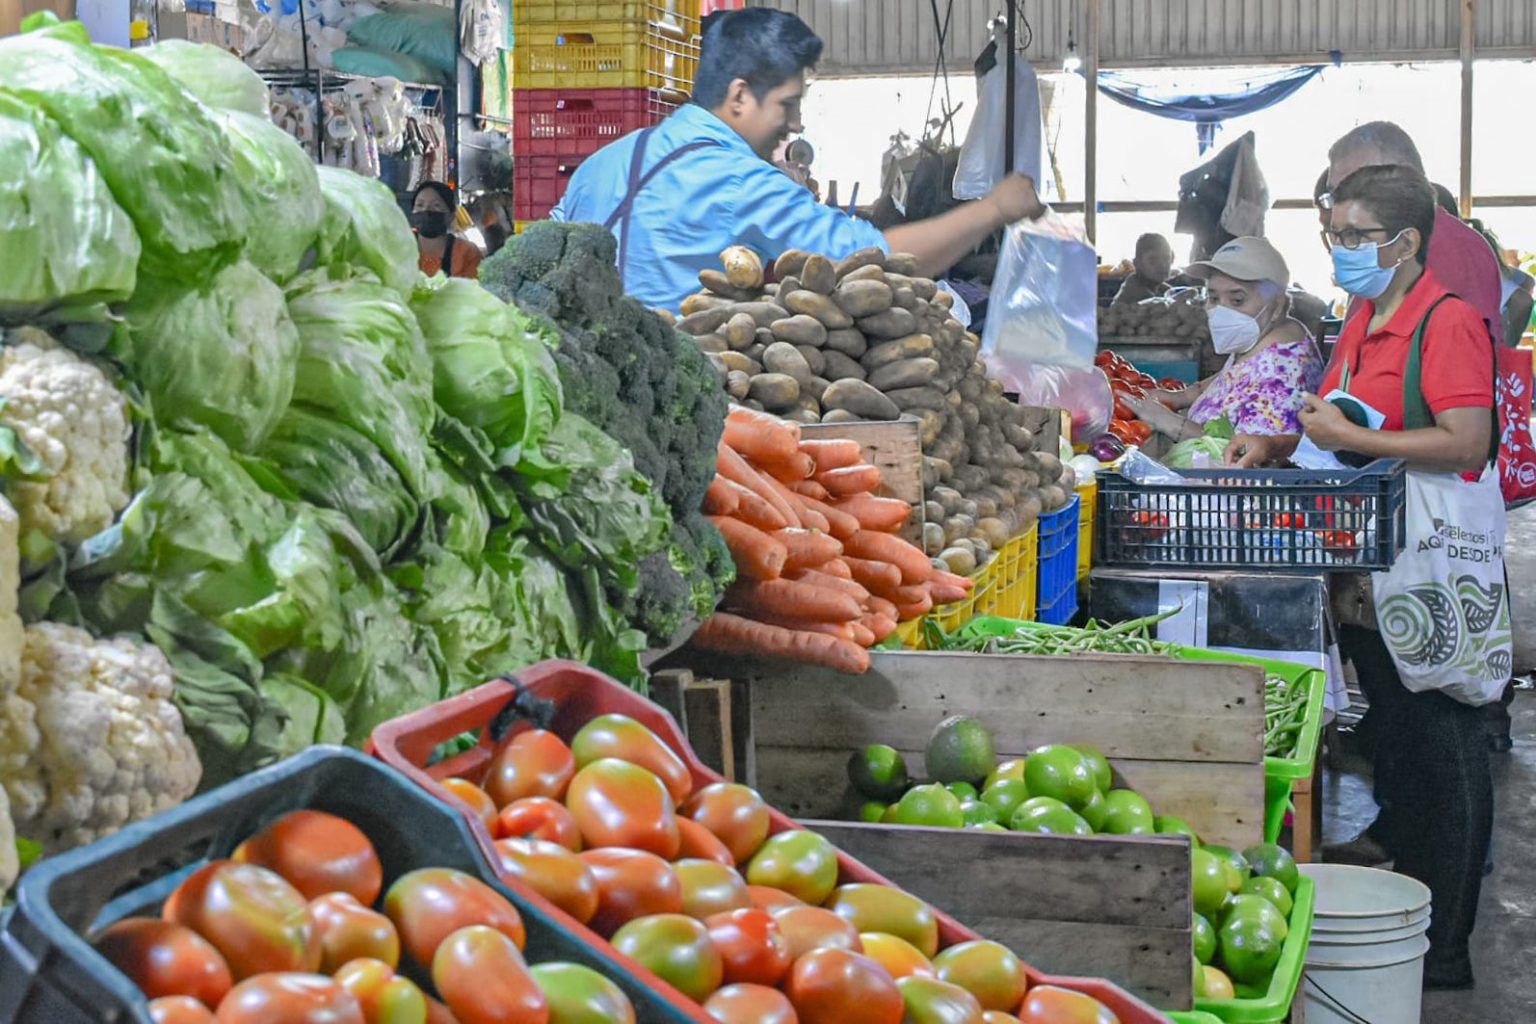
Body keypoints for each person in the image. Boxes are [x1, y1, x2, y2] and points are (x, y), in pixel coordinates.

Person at [1229, 165, 1497, 988]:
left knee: (1445, 739)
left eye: (1354, 235)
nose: (1339, 248)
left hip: (1430, 565)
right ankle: (1410, 901)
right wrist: (1280, 442)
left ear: (1405, 242)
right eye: (1333, 234)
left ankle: (1445, 948)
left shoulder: (1445, 322)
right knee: (1404, 739)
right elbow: (1339, 419)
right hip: (1373, 569)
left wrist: (1355, 440)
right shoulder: (1362, 313)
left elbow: (1466, 440)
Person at [550, 8, 1043, 311]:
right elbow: (875, 257)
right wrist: (993, 209)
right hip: (681, 405)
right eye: (786, 105)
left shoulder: (606, 161)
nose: (795, 123)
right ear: (739, 96)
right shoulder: (741, 182)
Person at [1123, 237, 1322, 442]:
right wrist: (1183, 396)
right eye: (1214, 298)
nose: (1221, 310)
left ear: (1277, 306)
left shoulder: (1280, 375)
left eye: (1237, 300)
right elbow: (1234, 375)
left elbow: (1245, 452)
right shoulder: (1267, 338)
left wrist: (1168, 421)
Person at [1321, 122, 1503, 343]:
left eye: (1354, 189)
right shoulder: (1392, 240)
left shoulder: (1439, 248)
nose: (1341, 205)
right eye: (1336, 195)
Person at [412, 181, 483, 279]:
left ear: (451, 216)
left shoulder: (467, 252)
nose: (426, 210)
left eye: (436, 205)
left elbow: (473, 286)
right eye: (420, 205)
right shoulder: (397, 246)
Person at [1111, 233, 1174, 306]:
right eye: (1153, 259)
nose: (1162, 265)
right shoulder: (1134, 294)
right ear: (1137, 263)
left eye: (1166, 258)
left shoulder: (1164, 289)